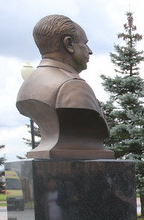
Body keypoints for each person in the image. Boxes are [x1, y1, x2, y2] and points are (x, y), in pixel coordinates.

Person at [16, 15, 113, 160]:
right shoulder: (71, 87)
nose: (90, 50)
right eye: (84, 44)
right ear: (68, 44)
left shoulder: (28, 84)